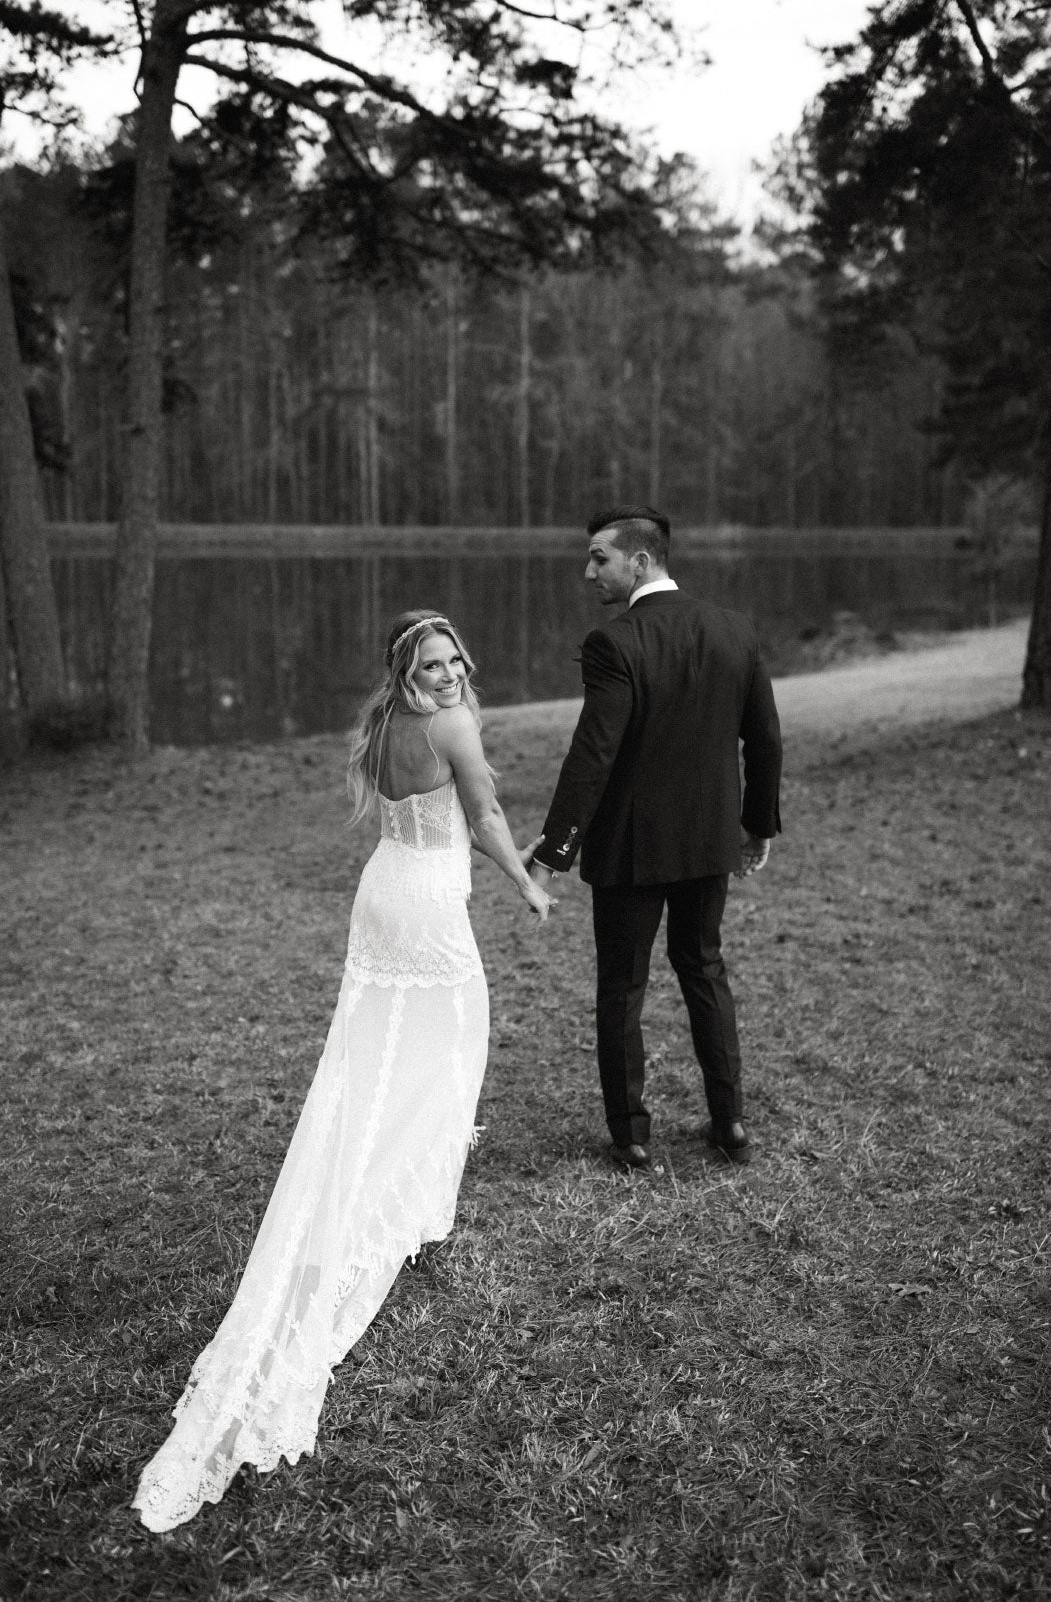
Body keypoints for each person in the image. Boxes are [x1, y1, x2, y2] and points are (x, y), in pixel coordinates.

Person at [133, 611, 550, 1532]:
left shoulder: (383, 725)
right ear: (409, 673)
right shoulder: (450, 725)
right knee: (457, 1046)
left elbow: (434, 803)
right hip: (431, 905)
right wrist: (524, 880)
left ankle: (398, 1181)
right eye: (433, 666)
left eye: (454, 663)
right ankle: (408, 1193)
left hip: (382, 893)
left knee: (370, 1058)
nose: (449, 676)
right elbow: (481, 813)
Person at [530, 506, 782, 1170]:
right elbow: (766, 740)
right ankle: (729, 1124)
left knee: (622, 985)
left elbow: (594, 754)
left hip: (631, 850)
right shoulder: (734, 630)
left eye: (599, 557)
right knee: (704, 968)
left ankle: (632, 1134)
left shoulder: (613, 643)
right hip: (707, 842)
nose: (589, 572)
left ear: (641, 561)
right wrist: (756, 824)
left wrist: (557, 850)